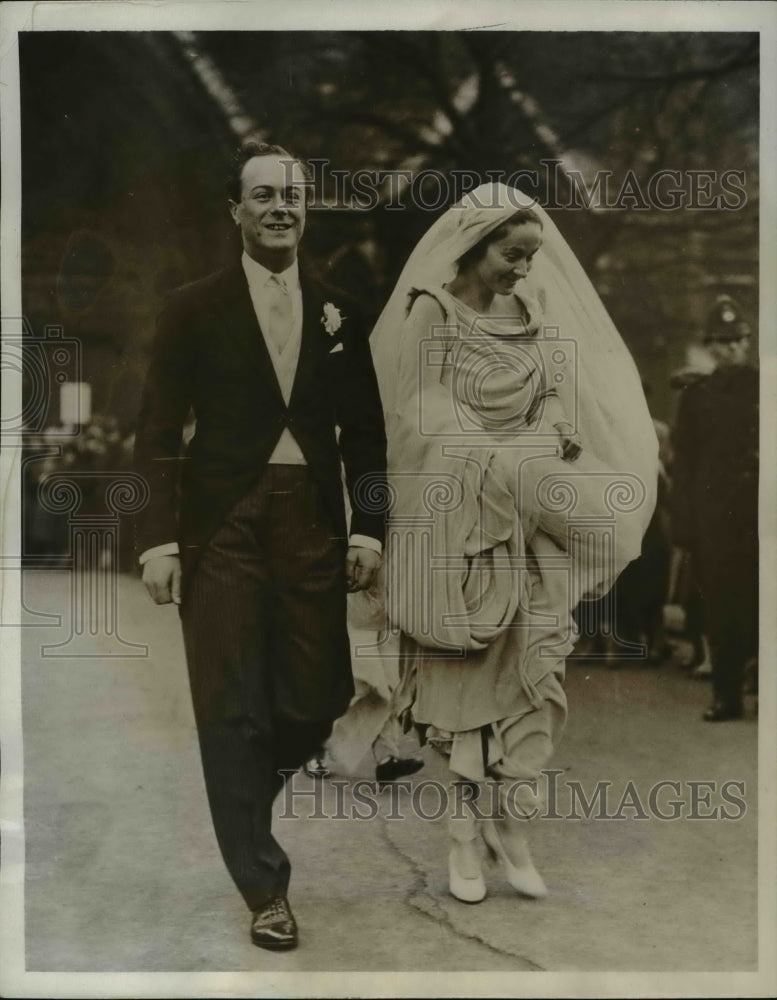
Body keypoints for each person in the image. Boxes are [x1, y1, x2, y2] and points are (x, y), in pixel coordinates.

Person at [370, 182, 658, 904]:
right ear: (473, 245)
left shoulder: (534, 317)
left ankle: (513, 824)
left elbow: (554, 393)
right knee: (465, 679)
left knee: (535, 676)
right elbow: (418, 408)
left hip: (529, 522)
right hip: (459, 523)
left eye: (530, 257)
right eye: (509, 254)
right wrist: (489, 454)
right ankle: (463, 835)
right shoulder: (431, 311)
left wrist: (554, 427)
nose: (520, 270)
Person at [133, 140, 387, 949]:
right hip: (224, 523)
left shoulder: (339, 306)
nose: (281, 207)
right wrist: (159, 541)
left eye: (293, 194)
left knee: (316, 697)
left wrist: (368, 527)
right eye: (264, 195)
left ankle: (244, 790)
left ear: (305, 208)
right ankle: (263, 887)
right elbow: (156, 431)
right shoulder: (192, 307)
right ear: (235, 211)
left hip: (310, 520)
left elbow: (368, 434)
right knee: (231, 708)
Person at [671, 294, 758, 721]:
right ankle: (727, 697)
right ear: (711, 347)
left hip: (760, 518)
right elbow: (684, 463)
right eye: (724, 342)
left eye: (739, 340)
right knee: (722, 609)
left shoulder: (765, 386)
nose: (734, 349)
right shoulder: (696, 396)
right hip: (715, 523)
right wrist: (685, 524)